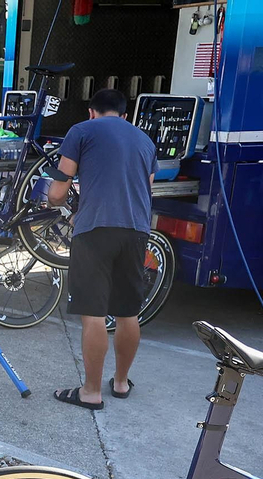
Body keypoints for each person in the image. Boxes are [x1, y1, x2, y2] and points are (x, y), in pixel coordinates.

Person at [47, 87, 157, 410]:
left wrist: (58, 199)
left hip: (94, 228)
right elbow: (146, 190)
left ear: (92, 112)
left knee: (93, 313)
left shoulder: (81, 131)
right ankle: (121, 383)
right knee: (127, 311)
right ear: (124, 115)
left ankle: (91, 392)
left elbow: (57, 192)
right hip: (136, 231)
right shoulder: (145, 140)